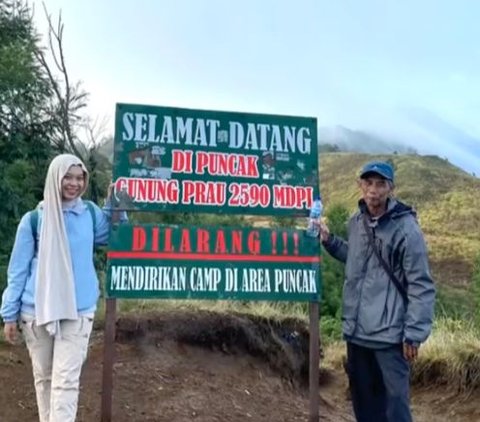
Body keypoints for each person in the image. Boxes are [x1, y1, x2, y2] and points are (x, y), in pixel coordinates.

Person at [1, 154, 125, 422]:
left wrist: (116, 200)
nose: (74, 183)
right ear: (55, 178)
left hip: (78, 311)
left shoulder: (90, 214)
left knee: (65, 382)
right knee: (44, 379)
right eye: (67, 177)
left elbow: (118, 233)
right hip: (36, 311)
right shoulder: (33, 220)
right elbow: (18, 270)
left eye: (79, 178)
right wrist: (9, 314)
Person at [319, 160, 435, 422]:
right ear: (360, 186)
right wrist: (329, 240)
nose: (373, 190)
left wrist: (414, 333)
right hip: (357, 333)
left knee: (395, 407)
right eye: (368, 183)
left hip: (390, 337)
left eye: (380, 184)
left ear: (390, 188)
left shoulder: (406, 229)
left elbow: (421, 285)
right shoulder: (356, 221)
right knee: (363, 403)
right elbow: (355, 256)